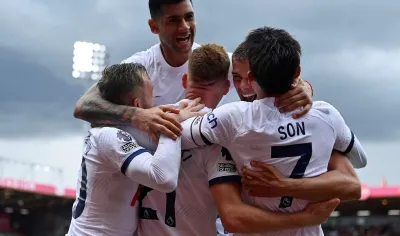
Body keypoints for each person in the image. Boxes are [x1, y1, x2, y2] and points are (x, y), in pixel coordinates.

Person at [134, 44, 339, 236]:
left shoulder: (150, 121)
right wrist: (304, 218)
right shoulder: (219, 138)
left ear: (184, 80)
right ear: (226, 87)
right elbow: (232, 215)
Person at [180, 27, 367, 236]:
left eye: (244, 78)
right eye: (235, 78)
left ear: (251, 77)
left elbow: (180, 134)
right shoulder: (326, 115)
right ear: (297, 72)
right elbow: (359, 161)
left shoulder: (234, 118)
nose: (242, 87)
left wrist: (176, 113)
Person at [72, 0, 313, 143]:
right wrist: (138, 116)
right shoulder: (140, 67)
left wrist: (303, 87)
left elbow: (279, 75)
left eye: (189, 17)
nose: (185, 27)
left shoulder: (219, 63)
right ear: (153, 26)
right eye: (173, 20)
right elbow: (84, 106)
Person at [66, 63, 203, 236]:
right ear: (136, 103)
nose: (156, 99)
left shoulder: (118, 129)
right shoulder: (110, 137)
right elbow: (164, 178)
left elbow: (172, 111)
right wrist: (172, 124)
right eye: (152, 91)